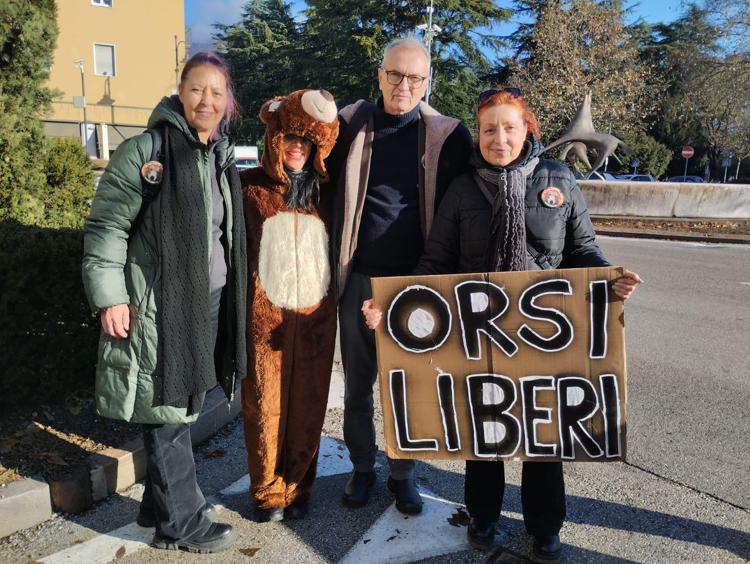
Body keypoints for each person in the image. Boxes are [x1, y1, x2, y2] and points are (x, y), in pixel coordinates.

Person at [361, 87, 642, 562]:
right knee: (483, 433)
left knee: (545, 438)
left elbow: (583, 251)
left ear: (526, 128)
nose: (499, 138)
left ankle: (545, 528)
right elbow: (436, 262)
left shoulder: (558, 179)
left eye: (509, 127)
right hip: (482, 333)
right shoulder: (463, 187)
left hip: (545, 335)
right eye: (489, 129)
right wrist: (394, 305)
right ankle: (483, 517)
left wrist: (610, 279)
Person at [82, 51, 247, 554]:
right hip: (159, 304)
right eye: (197, 89)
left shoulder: (217, 154)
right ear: (180, 90)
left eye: (217, 93)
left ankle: (159, 507)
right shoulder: (146, 152)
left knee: (183, 402)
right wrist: (109, 297)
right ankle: (183, 525)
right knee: (168, 410)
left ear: (227, 102)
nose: (207, 100)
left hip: (207, 300)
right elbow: (107, 227)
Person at [328, 35, 473, 515]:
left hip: (417, 282)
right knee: (357, 386)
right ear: (380, 76)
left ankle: (403, 474)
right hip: (359, 276)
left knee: (409, 388)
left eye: (414, 77)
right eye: (395, 74)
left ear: (427, 82)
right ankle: (362, 469)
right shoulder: (350, 125)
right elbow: (304, 151)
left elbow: (479, 187)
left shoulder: (448, 136)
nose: (403, 85)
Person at [240, 89, 339, 522]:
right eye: (290, 139)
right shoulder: (248, 189)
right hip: (267, 321)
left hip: (314, 321)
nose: (298, 147)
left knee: (308, 405)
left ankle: (299, 488)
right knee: (265, 407)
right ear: (274, 139)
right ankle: (266, 491)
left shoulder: (326, 196)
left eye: (307, 141)